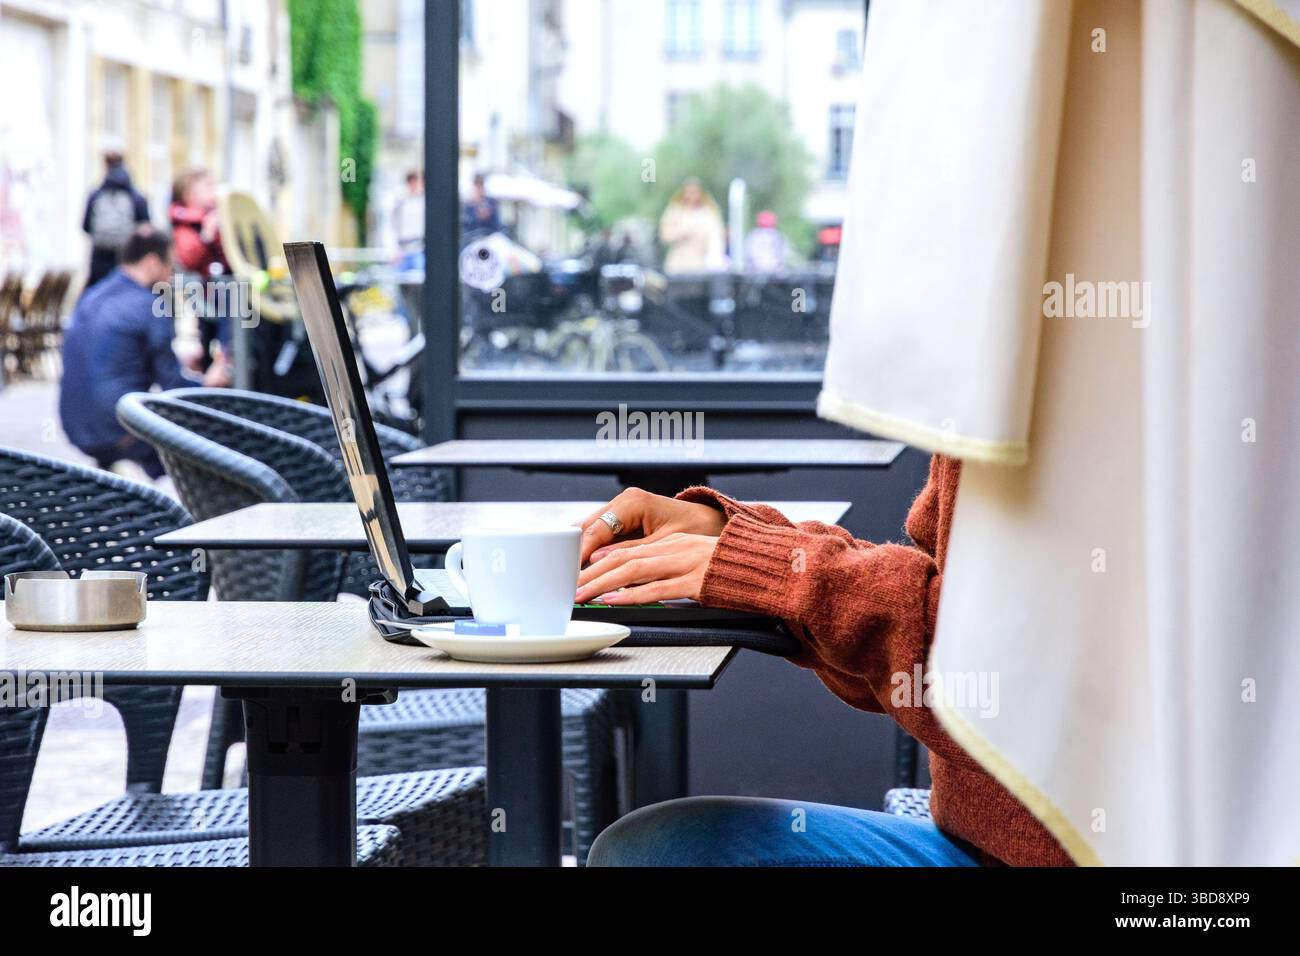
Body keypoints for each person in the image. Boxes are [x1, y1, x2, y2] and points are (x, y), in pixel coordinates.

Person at [576, 458, 1071, 866]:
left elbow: (1020, 677)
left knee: (648, 856)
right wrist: (736, 540)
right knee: (651, 851)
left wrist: (771, 566)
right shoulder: (998, 383)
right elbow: (930, 607)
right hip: (984, 845)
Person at [59, 227, 228, 479]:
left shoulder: (93, 295)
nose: (171, 277)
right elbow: (172, 385)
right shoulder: (151, 306)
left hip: (75, 426)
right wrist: (209, 383)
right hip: (118, 430)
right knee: (208, 435)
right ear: (151, 262)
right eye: (170, 267)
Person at [169, 169, 229, 369]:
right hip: (204, 292)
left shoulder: (216, 216)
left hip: (220, 289)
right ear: (189, 194)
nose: (214, 191)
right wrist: (206, 234)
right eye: (208, 186)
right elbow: (188, 258)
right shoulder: (186, 224)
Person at [81, 152, 151, 290]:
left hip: (99, 257)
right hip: (127, 257)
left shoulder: (96, 195)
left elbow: (85, 226)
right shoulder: (136, 197)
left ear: (105, 166)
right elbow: (146, 227)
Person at [658, 179, 726, 274]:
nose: (692, 195)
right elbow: (664, 235)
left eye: (695, 192)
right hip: (678, 263)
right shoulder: (675, 211)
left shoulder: (709, 213)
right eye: (689, 192)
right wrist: (679, 234)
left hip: (702, 263)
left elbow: (716, 237)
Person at [394, 169, 426, 270]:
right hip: (403, 249)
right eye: (410, 182)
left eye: (415, 181)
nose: (413, 185)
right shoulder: (401, 201)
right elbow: (394, 225)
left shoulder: (422, 200)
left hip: (419, 247)